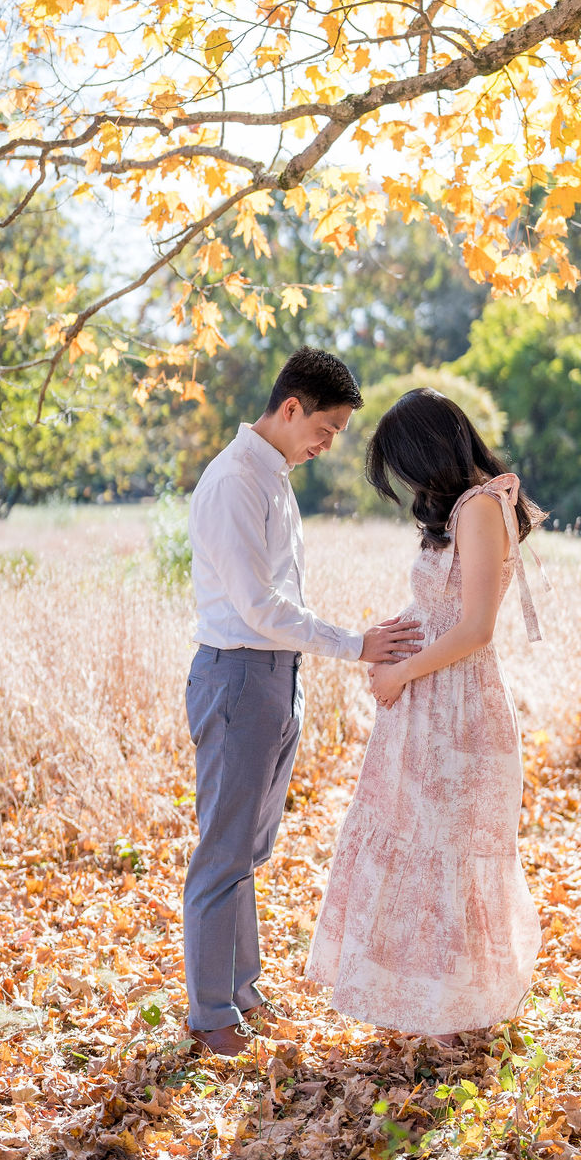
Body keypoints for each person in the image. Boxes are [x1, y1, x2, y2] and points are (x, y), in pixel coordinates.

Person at [182, 348, 423, 1058]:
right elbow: (258, 607)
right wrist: (356, 645)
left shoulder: (274, 476)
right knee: (222, 854)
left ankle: (243, 989)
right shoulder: (233, 482)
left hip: (276, 678)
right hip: (238, 677)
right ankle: (210, 1014)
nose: (329, 444)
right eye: (327, 428)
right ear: (291, 408)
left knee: (249, 850)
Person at [307, 387, 545, 1045]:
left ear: (427, 452)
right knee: (415, 840)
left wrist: (402, 672)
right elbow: (439, 612)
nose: (405, 482)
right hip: (426, 708)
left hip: (457, 711)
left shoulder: (478, 506)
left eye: (404, 466)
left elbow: (474, 629)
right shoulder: (464, 509)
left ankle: (453, 1010)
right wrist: (387, 642)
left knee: (448, 849)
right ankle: (424, 1004)